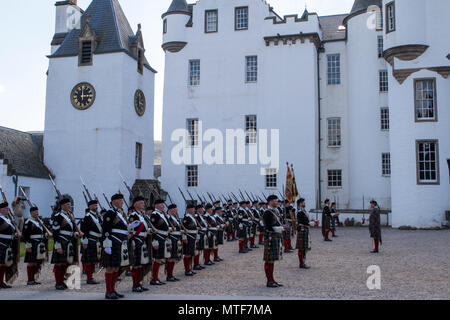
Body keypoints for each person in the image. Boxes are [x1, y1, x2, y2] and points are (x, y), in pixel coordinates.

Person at [102, 193, 130, 299]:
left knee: (116, 267)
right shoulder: (110, 213)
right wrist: (107, 244)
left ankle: (113, 290)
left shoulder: (120, 213)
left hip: (120, 242)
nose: (122, 202)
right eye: (120, 200)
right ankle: (108, 291)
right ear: (114, 202)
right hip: (113, 242)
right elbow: (106, 229)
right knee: (110, 268)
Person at [51, 198, 82, 290]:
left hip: (68, 241)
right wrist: (58, 246)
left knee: (64, 263)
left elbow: (70, 230)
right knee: (59, 264)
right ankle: (58, 283)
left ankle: (61, 281)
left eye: (69, 204)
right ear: (62, 206)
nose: (69, 206)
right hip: (61, 241)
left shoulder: (69, 215)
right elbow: (55, 233)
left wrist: (75, 234)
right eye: (68, 204)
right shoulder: (58, 216)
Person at [128, 196, 151, 292]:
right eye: (141, 203)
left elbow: (145, 228)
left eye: (143, 203)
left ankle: (139, 283)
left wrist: (149, 230)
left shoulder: (142, 215)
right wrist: (132, 241)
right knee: (136, 263)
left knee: (141, 263)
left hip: (143, 239)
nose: (143, 205)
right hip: (136, 240)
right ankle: (135, 284)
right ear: (135, 204)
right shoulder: (133, 216)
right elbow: (131, 230)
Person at [23, 206, 51, 285]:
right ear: (31, 213)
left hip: (39, 243)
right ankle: (30, 279)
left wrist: (45, 235)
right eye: (35, 212)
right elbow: (26, 235)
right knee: (31, 262)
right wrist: (28, 246)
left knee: (36, 262)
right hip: (32, 243)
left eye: (37, 212)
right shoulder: (28, 222)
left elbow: (40, 232)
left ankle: (33, 279)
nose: (37, 213)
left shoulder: (39, 222)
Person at [263, 195, 284, 288]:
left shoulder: (276, 211)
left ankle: (272, 279)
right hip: (270, 237)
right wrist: (280, 228)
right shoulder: (267, 213)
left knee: (272, 260)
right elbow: (268, 227)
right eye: (275, 201)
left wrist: (282, 227)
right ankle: (269, 281)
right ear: (270, 202)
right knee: (269, 260)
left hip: (275, 236)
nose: (277, 202)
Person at [80, 200, 103, 285]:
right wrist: (85, 241)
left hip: (96, 239)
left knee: (93, 260)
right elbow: (84, 230)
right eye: (94, 205)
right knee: (89, 260)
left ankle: (91, 277)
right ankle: (89, 278)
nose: (96, 207)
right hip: (89, 240)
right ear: (90, 207)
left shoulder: (97, 216)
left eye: (96, 205)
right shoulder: (88, 216)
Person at [149, 199, 171, 285]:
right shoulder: (154, 215)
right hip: (158, 237)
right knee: (157, 259)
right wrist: (154, 241)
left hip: (163, 237)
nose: (163, 206)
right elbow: (153, 228)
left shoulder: (162, 214)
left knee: (159, 259)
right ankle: (154, 278)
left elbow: (164, 227)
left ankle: (156, 277)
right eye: (162, 205)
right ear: (156, 206)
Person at [0, 201, 19, 289]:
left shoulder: (8, 219)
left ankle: (1, 282)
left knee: (3, 263)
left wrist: (15, 234)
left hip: (8, 243)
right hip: (1, 243)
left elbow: (10, 231)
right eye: (5, 209)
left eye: (7, 208)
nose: (7, 210)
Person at [166, 204, 182, 282]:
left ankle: (171, 274)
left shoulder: (175, 218)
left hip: (176, 238)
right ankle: (169, 275)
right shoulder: (168, 217)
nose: (176, 211)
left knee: (173, 257)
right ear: (171, 210)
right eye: (175, 210)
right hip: (171, 238)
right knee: (170, 258)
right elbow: (166, 228)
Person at [182, 204, 198, 276]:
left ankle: (190, 268)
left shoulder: (192, 217)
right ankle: (187, 270)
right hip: (188, 236)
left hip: (193, 236)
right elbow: (184, 228)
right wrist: (184, 237)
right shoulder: (186, 218)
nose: (194, 210)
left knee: (191, 253)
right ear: (188, 210)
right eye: (192, 209)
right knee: (187, 254)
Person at [296, 199, 310, 269]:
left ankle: (303, 262)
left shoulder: (303, 211)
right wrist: (310, 223)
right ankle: (301, 263)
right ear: (300, 204)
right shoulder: (300, 212)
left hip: (305, 229)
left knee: (304, 248)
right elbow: (303, 221)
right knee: (301, 248)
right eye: (303, 203)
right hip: (302, 230)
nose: (304, 203)